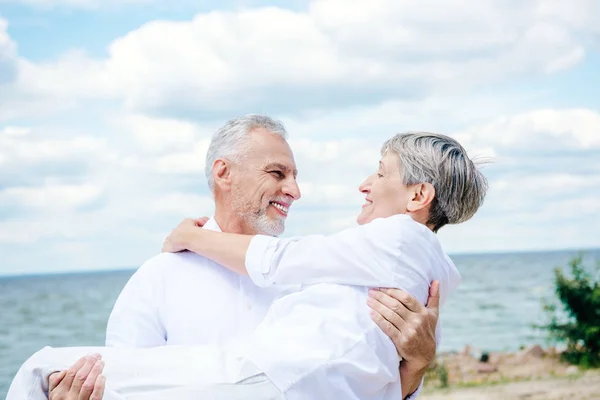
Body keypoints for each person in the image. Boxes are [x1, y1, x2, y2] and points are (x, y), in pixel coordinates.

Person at [6, 129, 486, 400]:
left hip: (269, 379)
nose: (295, 190)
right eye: (278, 173)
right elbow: (129, 380)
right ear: (223, 173)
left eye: (295, 177)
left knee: (38, 366)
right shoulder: (161, 277)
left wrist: (418, 366)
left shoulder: (320, 270)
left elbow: (380, 389)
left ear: (419, 195)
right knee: (53, 373)